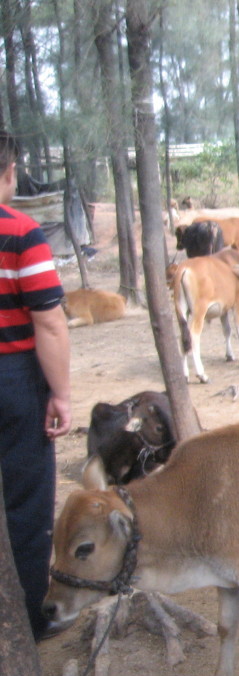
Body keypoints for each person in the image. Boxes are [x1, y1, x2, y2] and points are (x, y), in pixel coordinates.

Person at [0, 130, 72, 641]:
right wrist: (61, 394)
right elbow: (49, 323)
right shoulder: (22, 233)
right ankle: (27, 620)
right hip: (13, 379)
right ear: (8, 173)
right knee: (26, 502)